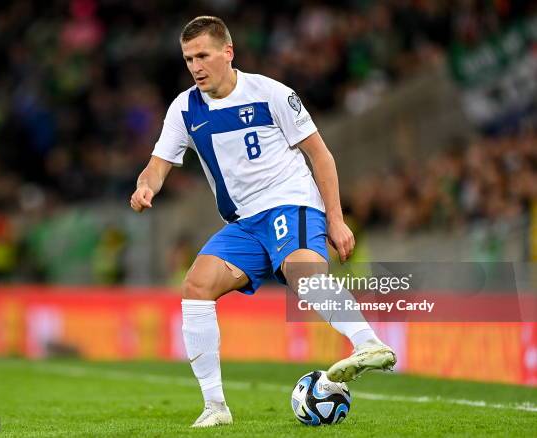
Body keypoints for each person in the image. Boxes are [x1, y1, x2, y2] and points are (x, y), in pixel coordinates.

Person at [130, 16, 396, 428]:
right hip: (244, 222)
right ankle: (215, 407)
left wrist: (337, 220)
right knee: (196, 285)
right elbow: (158, 164)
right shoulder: (184, 108)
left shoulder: (271, 93)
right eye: (188, 59)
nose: (195, 66)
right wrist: (147, 186)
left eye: (203, 55)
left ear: (227, 52)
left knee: (302, 272)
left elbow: (320, 155)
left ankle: (369, 343)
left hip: (291, 203)